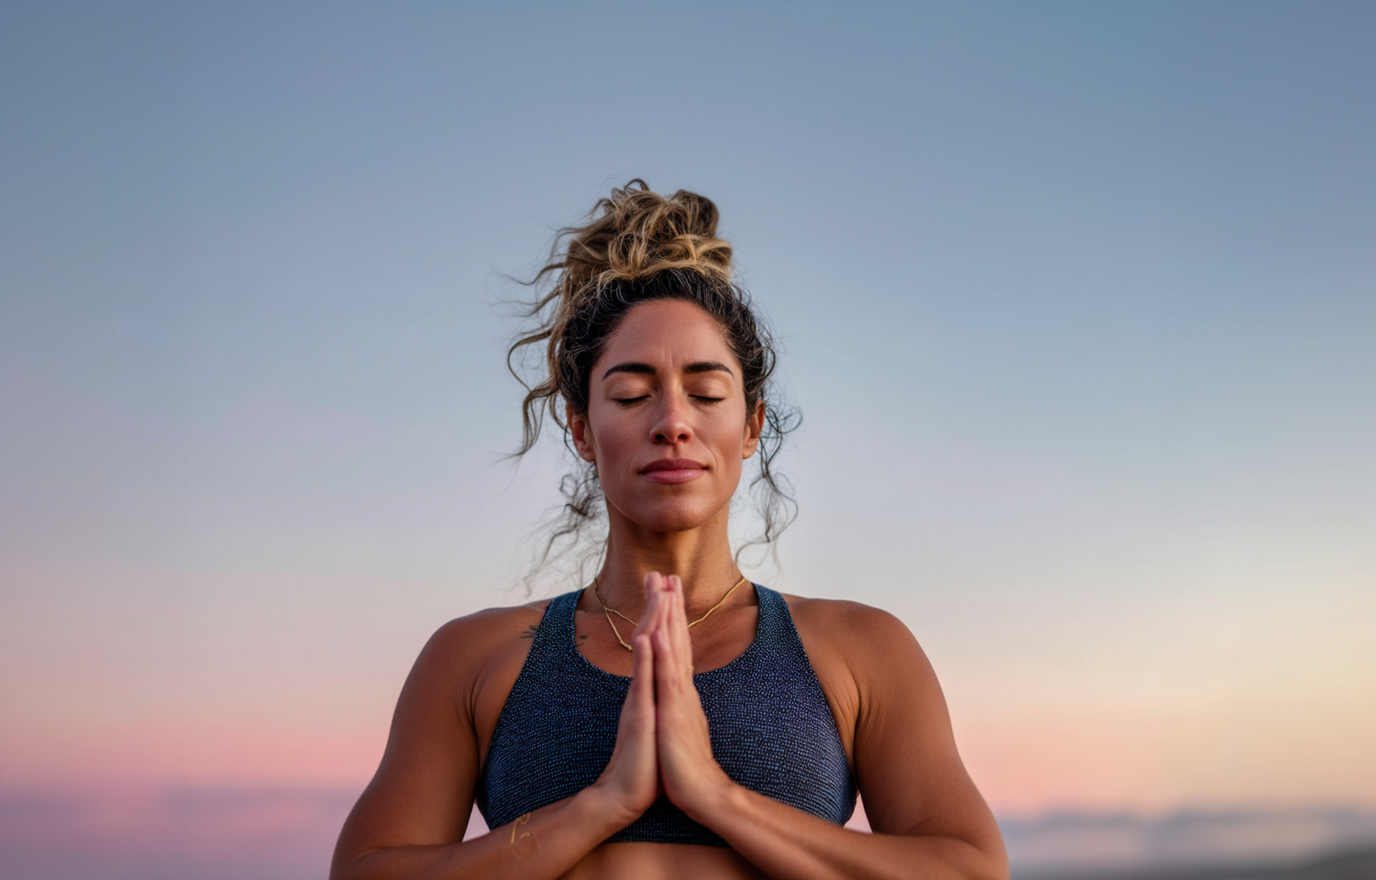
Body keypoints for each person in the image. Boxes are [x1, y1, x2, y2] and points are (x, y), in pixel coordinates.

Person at [330, 181, 1009, 880]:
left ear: (750, 426)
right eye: (630, 394)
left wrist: (716, 796)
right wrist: (602, 804)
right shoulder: (473, 659)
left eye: (707, 393)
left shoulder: (862, 652)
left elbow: (970, 870)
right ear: (581, 428)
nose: (672, 422)